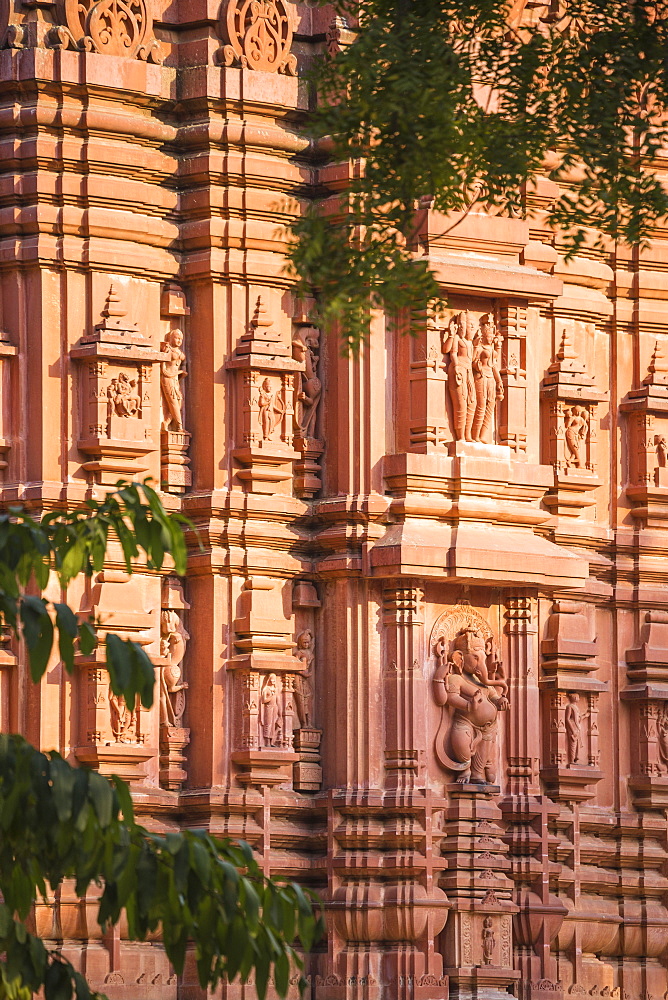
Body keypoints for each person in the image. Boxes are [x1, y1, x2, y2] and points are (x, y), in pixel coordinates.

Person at [160, 329, 187, 432]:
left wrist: (182, 372)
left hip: (175, 379)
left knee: (179, 402)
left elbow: (184, 365)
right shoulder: (167, 350)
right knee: (173, 402)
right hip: (167, 378)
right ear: (171, 338)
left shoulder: (180, 352)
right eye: (177, 338)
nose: (179, 341)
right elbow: (163, 369)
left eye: (181, 339)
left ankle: (166, 422)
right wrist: (178, 373)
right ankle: (179, 427)